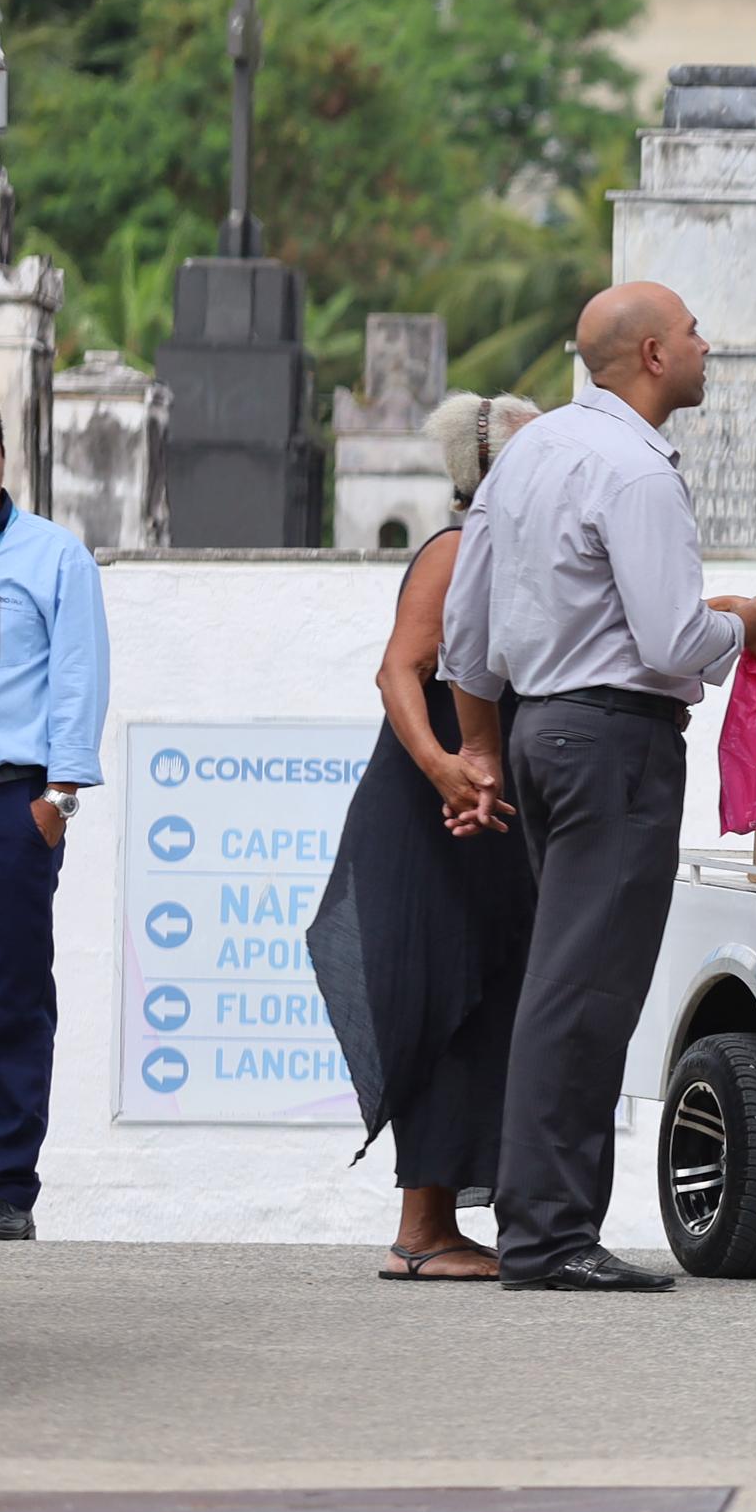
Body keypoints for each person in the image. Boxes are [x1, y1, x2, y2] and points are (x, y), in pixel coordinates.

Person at [444, 288, 756, 1293]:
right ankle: (550, 1234)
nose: (707, 343)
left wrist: (482, 748)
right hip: (613, 739)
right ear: (652, 354)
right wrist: (752, 624)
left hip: (538, 730)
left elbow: (465, 635)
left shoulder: (528, 451)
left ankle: (541, 1221)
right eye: (694, 329)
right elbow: (673, 641)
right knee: (584, 990)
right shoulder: (637, 471)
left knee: (561, 982)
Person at [314, 394, 545, 1281]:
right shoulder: (456, 551)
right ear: (488, 470)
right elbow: (399, 670)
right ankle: (421, 1230)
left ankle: (443, 1220)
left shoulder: (526, 560)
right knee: (448, 993)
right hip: (431, 810)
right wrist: (447, 766)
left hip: (484, 810)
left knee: (490, 994)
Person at [0, 400, 106, 1242]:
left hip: (11, 806)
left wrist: (60, 798)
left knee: (13, 1001)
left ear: (4, 457)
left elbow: (78, 678)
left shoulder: (52, 555)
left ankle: (8, 1184)